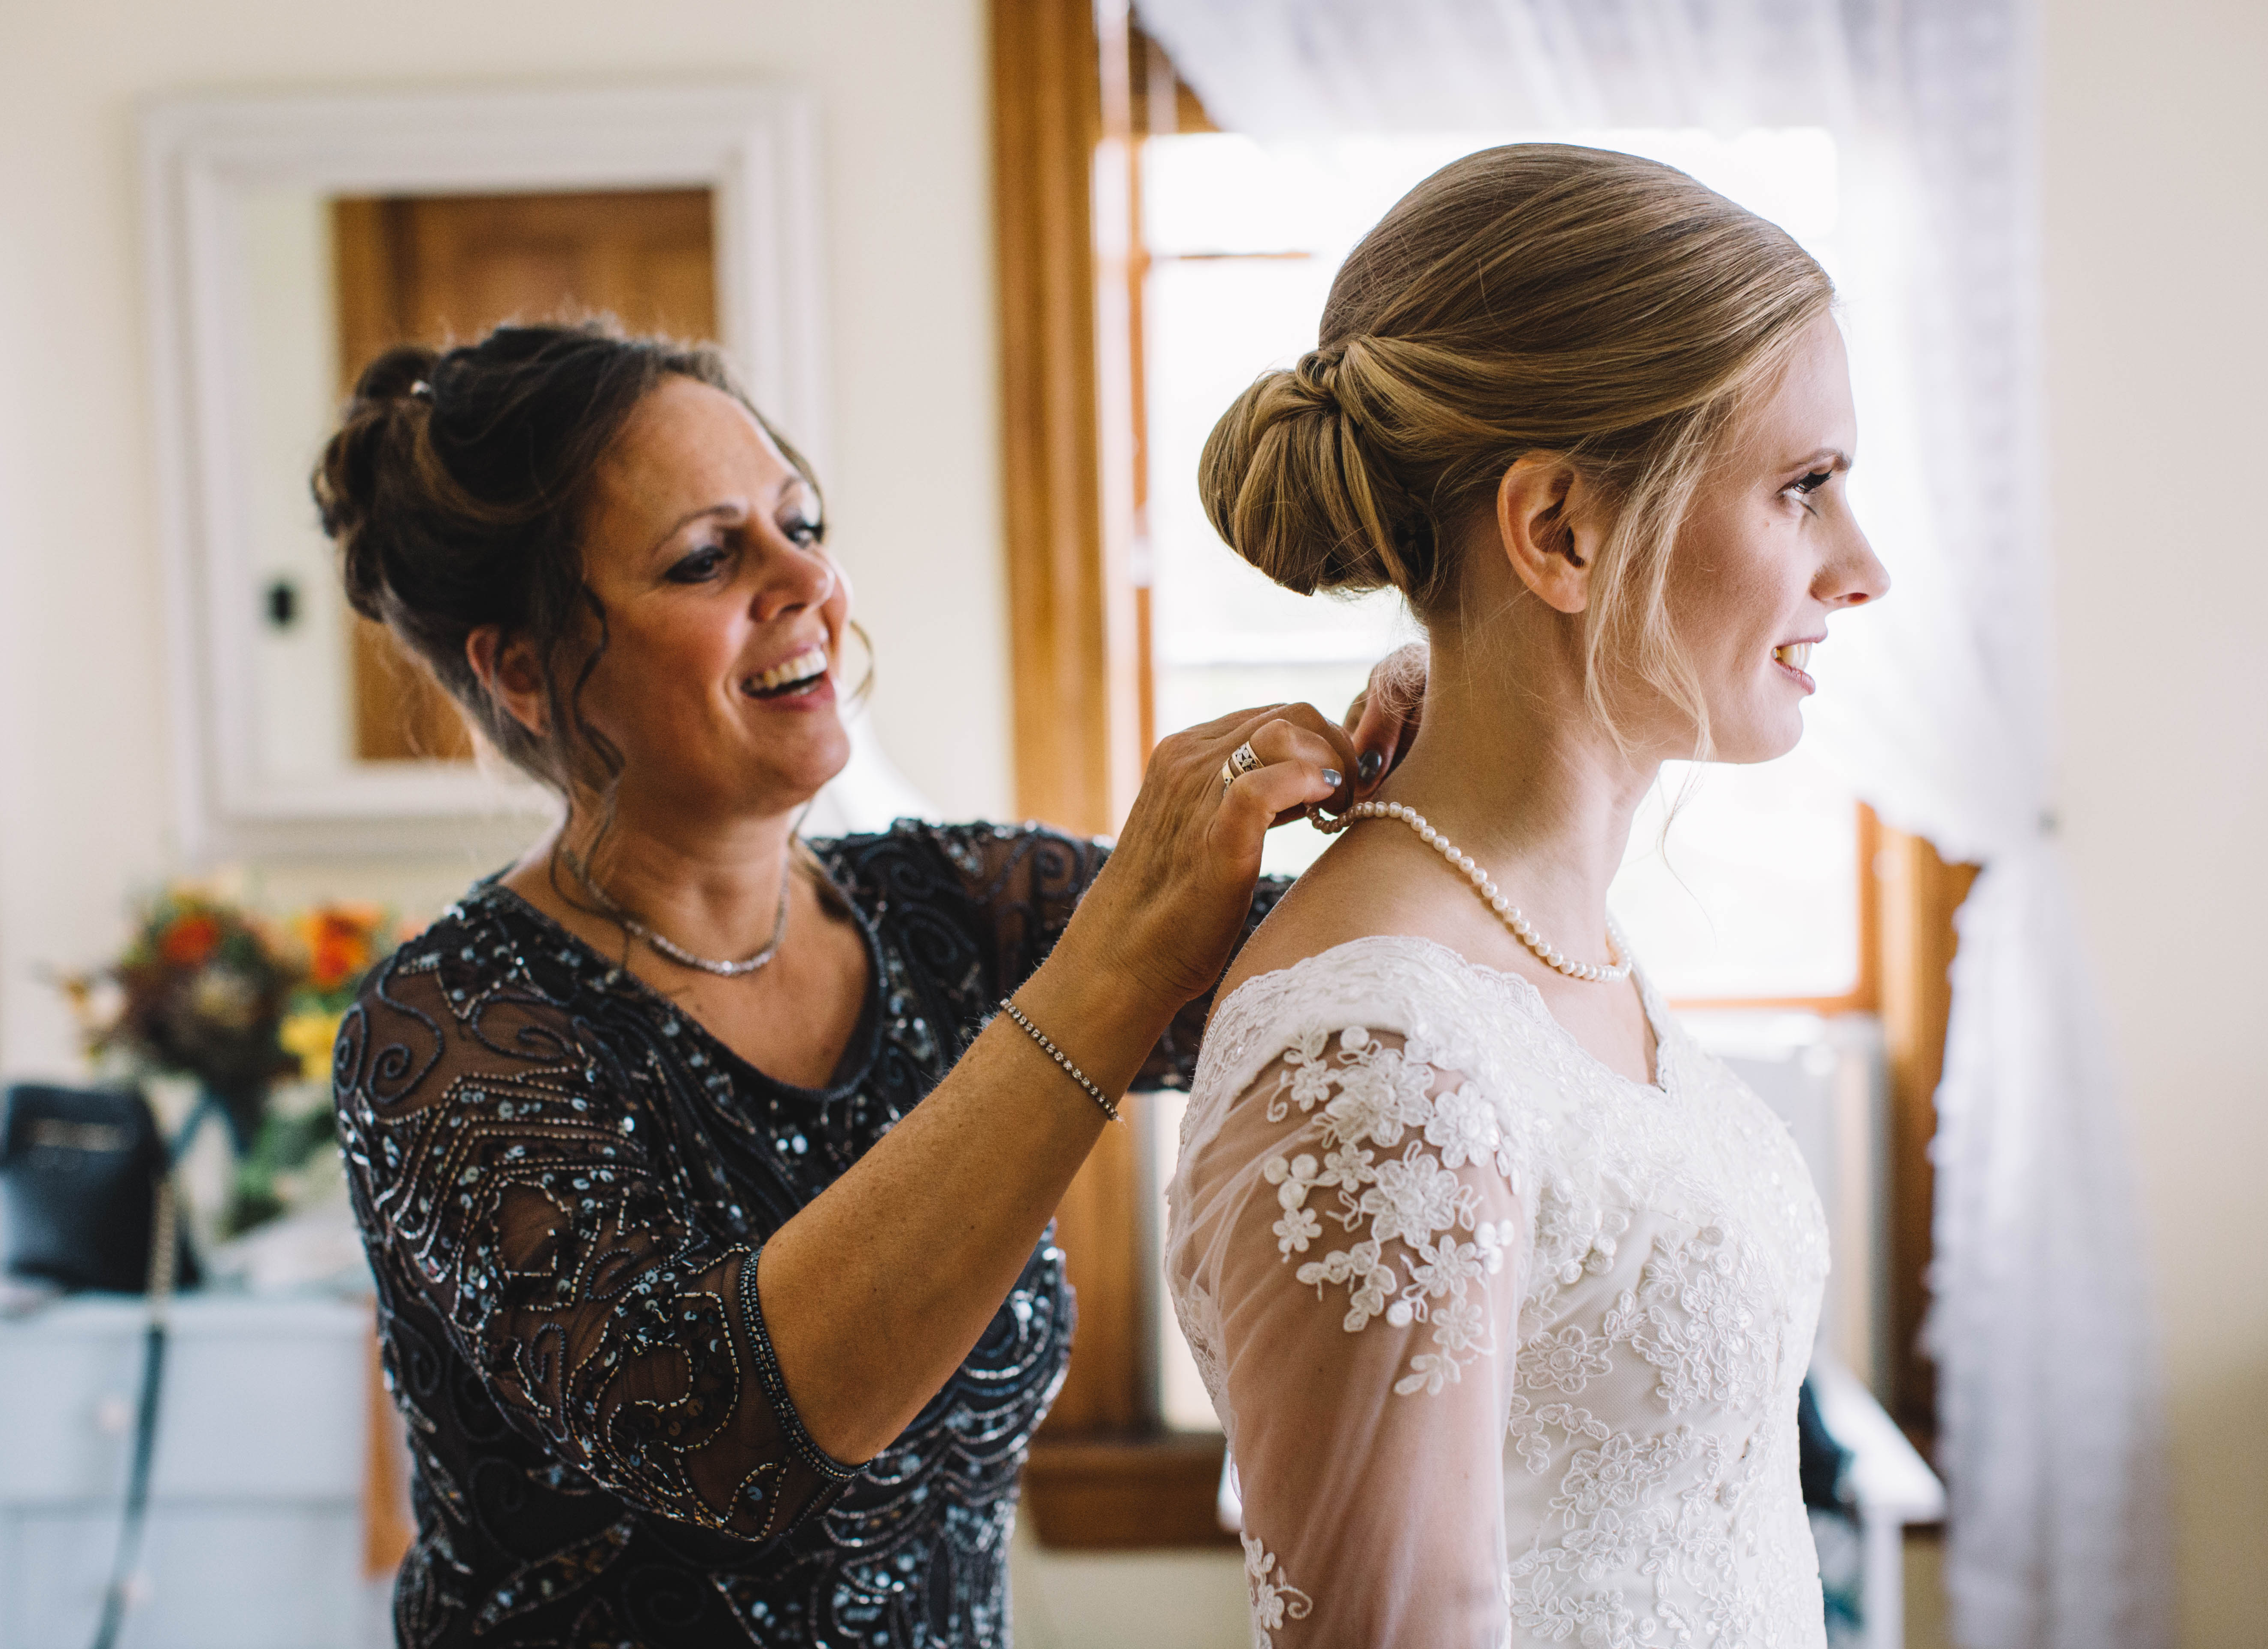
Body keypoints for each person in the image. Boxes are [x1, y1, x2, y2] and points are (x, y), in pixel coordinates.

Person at [313, 321, 1411, 1647]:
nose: (810, 580)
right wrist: (1108, 973)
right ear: (524, 670)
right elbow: (723, 1439)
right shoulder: (446, 1031)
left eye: (801, 520)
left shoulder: (955, 910)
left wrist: (1446, 706)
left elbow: (1382, 976)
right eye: (709, 557)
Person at [1162, 144, 1891, 1648]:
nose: (1861, 566)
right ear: (1559, 531)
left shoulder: (1555, 935)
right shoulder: (1382, 1058)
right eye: (1802, 489)